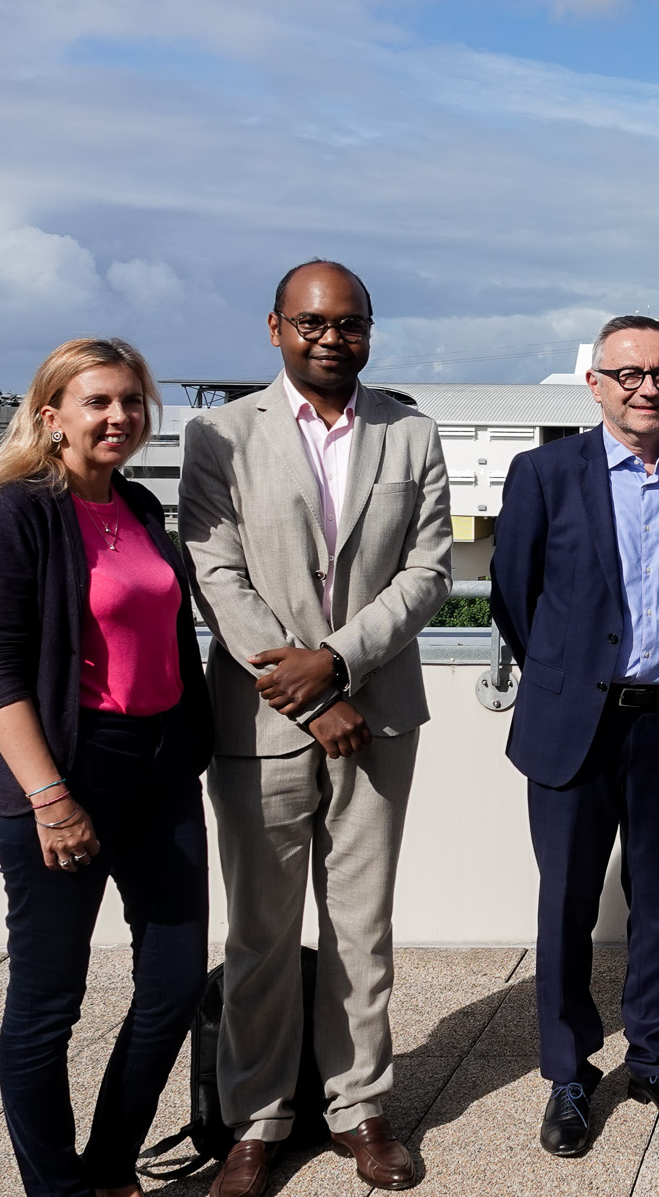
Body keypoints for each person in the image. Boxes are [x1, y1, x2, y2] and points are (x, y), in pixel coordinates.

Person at [181, 261, 452, 1197]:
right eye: (312, 322)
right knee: (259, 931)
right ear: (275, 328)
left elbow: (427, 575)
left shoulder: (411, 433)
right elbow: (217, 576)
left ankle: (360, 1108)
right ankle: (256, 1120)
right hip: (258, 722)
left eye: (351, 323)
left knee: (361, 927)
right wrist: (302, 688)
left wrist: (336, 662)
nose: (331, 337)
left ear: (371, 330)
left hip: (379, 714)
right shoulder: (219, 433)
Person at [0, 337, 211, 1197]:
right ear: (50, 412)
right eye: (97, 401)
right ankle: (54, 1188)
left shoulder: (138, 503)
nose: (119, 416)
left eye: (132, 400)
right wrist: (52, 798)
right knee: (48, 999)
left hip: (159, 765)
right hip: (63, 769)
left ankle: (107, 1168)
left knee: (172, 982)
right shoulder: (12, 510)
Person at [491, 316, 659, 1159]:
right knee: (567, 901)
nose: (646, 387)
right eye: (628, 373)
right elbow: (513, 597)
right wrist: (564, 679)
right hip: (571, 723)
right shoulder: (544, 472)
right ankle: (567, 1072)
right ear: (596, 382)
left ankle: (656, 1059)